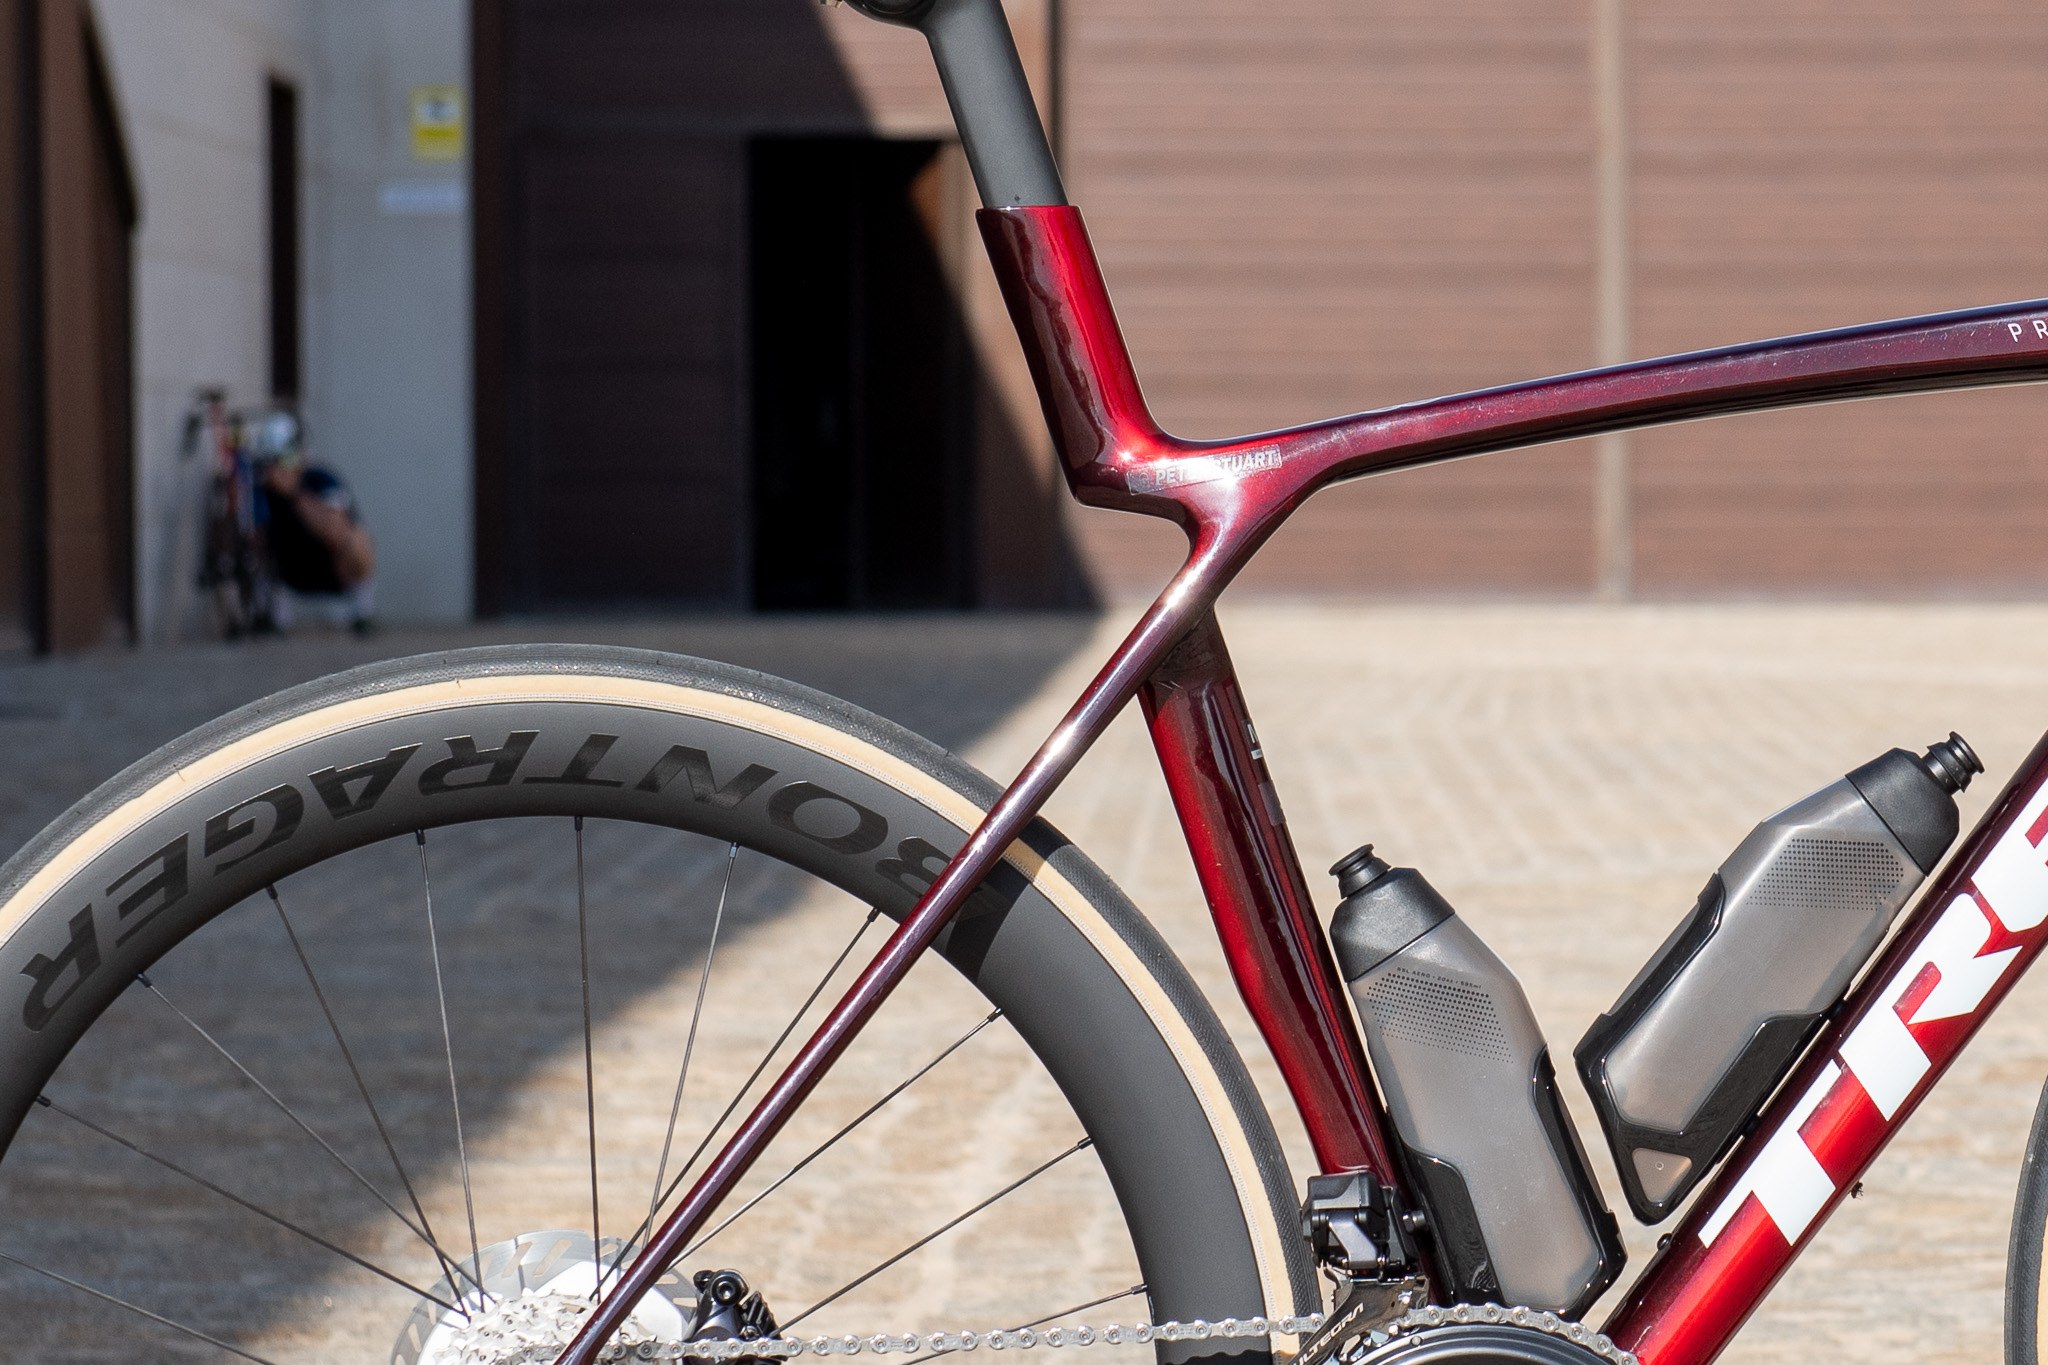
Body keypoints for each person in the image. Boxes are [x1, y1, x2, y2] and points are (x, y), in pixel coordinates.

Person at [253, 412, 377, 634]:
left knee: (359, 539)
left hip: (330, 569)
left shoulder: (320, 479)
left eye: (288, 457)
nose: (282, 467)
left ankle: (362, 612)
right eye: (275, 461)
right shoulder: (262, 491)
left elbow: (336, 531)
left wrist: (294, 494)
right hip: (288, 572)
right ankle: (267, 613)